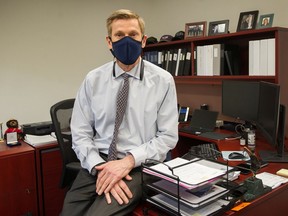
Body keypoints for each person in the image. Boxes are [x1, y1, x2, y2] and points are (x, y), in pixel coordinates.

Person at [61, 9, 179, 216]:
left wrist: (126, 163)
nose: (126, 40)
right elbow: (80, 133)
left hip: (139, 165)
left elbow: (168, 137)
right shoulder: (93, 79)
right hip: (98, 162)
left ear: (142, 40)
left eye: (133, 35)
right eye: (119, 35)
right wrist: (101, 167)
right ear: (109, 41)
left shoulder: (163, 80)